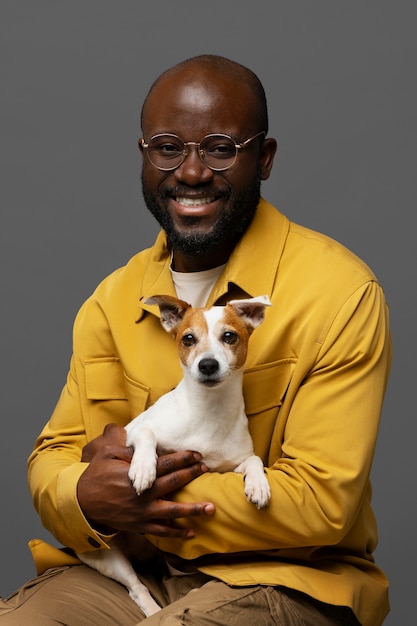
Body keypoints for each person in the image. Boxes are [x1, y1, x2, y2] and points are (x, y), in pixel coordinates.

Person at [0, 55, 391, 626]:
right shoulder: (113, 301)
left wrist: (137, 500)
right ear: (144, 156)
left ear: (265, 157)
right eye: (167, 147)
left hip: (287, 576)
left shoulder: (340, 292)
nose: (190, 172)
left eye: (220, 149)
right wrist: (83, 495)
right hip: (139, 570)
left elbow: (321, 503)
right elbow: (56, 460)